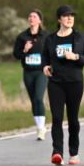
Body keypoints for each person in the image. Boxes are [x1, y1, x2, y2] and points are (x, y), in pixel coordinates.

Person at [41, 5, 84, 165]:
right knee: (57, 118)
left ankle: (74, 153)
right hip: (56, 83)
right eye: (65, 16)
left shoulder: (80, 38)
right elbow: (44, 58)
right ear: (59, 19)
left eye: (72, 16)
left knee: (73, 119)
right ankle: (57, 152)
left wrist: (76, 56)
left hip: (75, 82)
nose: (70, 18)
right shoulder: (50, 39)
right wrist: (44, 67)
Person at [13, 10, 49, 140]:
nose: (31, 18)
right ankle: (39, 126)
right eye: (30, 16)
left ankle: (41, 129)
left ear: (39, 20)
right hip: (28, 72)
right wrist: (25, 50)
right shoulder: (22, 37)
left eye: (34, 16)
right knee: (34, 100)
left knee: (39, 98)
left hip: (41, 71)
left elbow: (51, 52)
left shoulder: (45, 36)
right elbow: (16, 55)